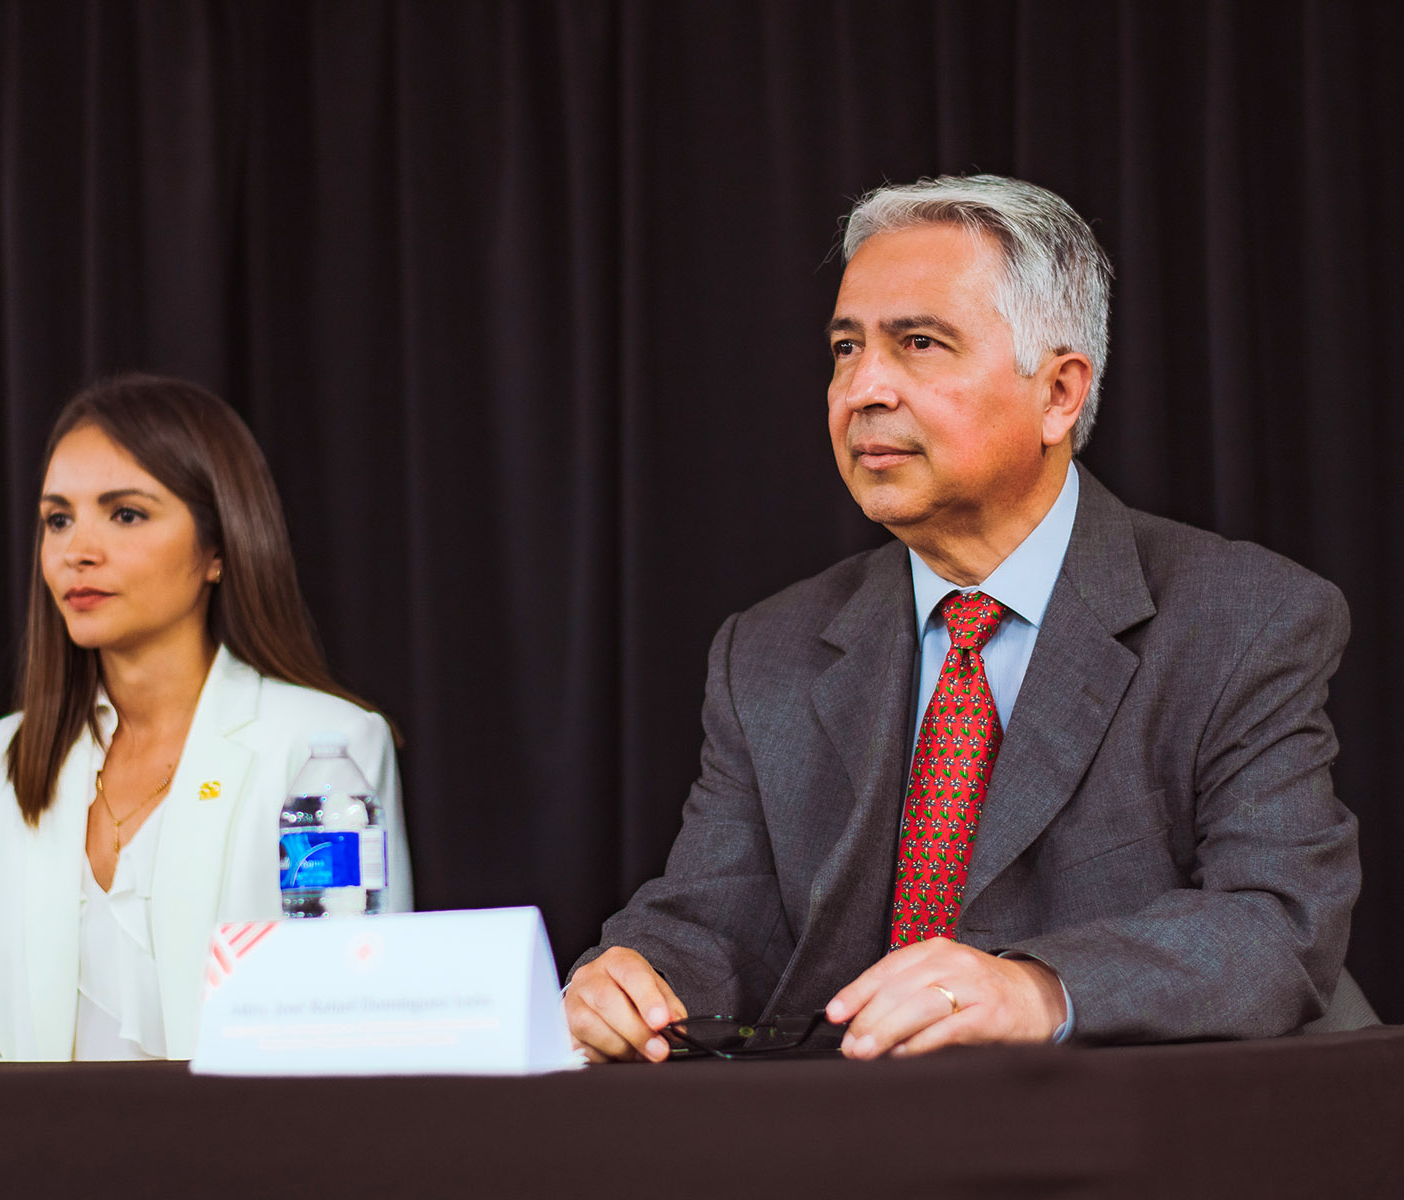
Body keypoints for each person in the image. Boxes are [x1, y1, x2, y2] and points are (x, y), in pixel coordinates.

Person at [566, 174, 1360, 1062]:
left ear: (1059, 394)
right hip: (847, 1141)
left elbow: (1277, 923)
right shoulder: (768, 650)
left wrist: (1036, 988)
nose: (863, 389)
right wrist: (629, 977)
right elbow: (713, 918)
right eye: (843, 349)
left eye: (918, 344)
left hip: (1121, 1142)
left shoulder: (1244, 619)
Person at [0, 374, 411, 1062]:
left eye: (126, 514)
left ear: (219, 548)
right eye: (58, 519)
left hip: (261, 1160)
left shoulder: (325, 748)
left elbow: (357, 1029)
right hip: (28, 1165)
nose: (78, 549)